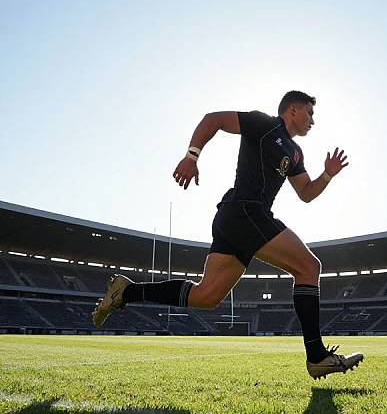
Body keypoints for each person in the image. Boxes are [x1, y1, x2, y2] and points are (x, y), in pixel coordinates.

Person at [92, 91, 363, 379]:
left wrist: (327, 175)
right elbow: (214, 120)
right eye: (310, 113)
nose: (313, 120)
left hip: (237, 220)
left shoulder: (295, 153)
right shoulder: (264, 124)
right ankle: (317, 356)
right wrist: (191, 156)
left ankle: (127, 291)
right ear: (293, 110)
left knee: (207, 296)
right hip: (245, 212)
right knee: (309, 267)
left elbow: (306, 193)